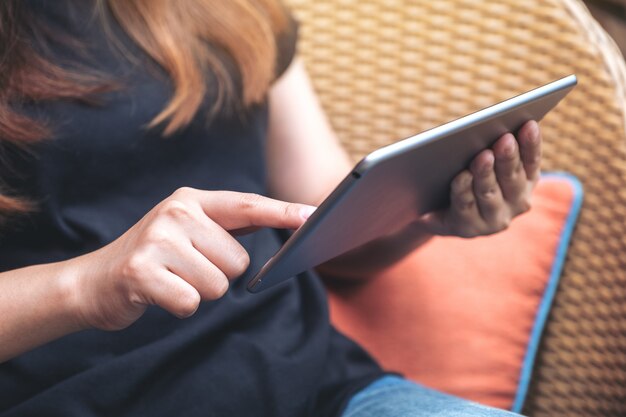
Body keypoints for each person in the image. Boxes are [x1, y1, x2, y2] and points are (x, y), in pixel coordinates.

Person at [0, 1, 540, 416]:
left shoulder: (230, 9)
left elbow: (319, 224)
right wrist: (88, 283)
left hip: (319, 389)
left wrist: (420, 213)